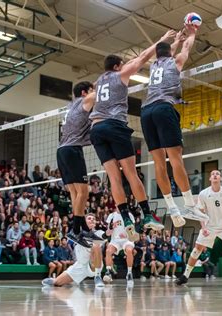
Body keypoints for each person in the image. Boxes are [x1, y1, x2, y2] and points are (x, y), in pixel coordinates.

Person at [89, 32, 175, 239]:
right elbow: (144, 56)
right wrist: (163, 39)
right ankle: (146, 215)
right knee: (131, 173)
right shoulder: (120, 74)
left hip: (96, 128)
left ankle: (126, 217)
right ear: (118, 66)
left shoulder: (99, 81)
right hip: (114, 125)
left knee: (113, 178)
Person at [140, 24, 208, 227]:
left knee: (159, 163)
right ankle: (189, 205)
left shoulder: (153, 67)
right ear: (170, 53)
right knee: (175, 158)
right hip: (163, 108)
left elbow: (163, 51)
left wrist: (173, 40)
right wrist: (191, 34)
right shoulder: (175, 62)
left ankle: (172, 210)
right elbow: (185, 48)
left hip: (146, 112)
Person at [176, 170, 222, 286]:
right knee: (197, 249)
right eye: (213, 174)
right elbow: (200, 211)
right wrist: (203, 227)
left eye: (217, 174)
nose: (215, 175)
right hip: (209, 226)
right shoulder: (203, 194)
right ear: (210, 179)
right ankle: (185, 276)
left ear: (220, 179)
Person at [56, 81, 103, 248]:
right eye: (89, 91)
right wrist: (103, 82)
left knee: (75, 193)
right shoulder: (84, 100)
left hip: (61, 151)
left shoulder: (71, 106)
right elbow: (95, 94)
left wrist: (93, 84)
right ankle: (75, 230)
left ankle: (82, 227)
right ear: (84, 92)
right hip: (72, 150)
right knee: (84, 192)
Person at [42, 213, 106, 288]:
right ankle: (55, 280)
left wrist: (110, 230)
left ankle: (98, 276)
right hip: (80, 265)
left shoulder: (99, 233)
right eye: (89, 218)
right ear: (84, 222)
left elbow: (106, 235)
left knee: (96, 246)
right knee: (57, 283)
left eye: (93, 219)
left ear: (95, 223)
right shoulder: (77, 232)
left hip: (93, 264)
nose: (92, 220)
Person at [103, 210, 135, 287]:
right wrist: (111, 228)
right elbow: (108, 233)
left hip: (127, 240)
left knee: (129, 250)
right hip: (115, 240)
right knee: (108, 251)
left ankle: (129, 273)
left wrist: (127, 235)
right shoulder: (111, 216)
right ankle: (108, 272)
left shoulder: (129, 215)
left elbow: (133, 231)